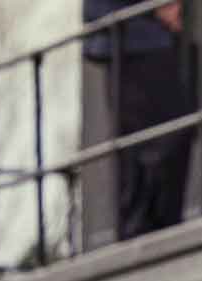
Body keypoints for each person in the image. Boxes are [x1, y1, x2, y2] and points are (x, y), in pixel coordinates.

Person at [82, 1, 192, 240]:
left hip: (137, 34)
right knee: (161, 134)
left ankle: (148, 225)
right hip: (132, 33)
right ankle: (145, 226)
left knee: (152, 136)